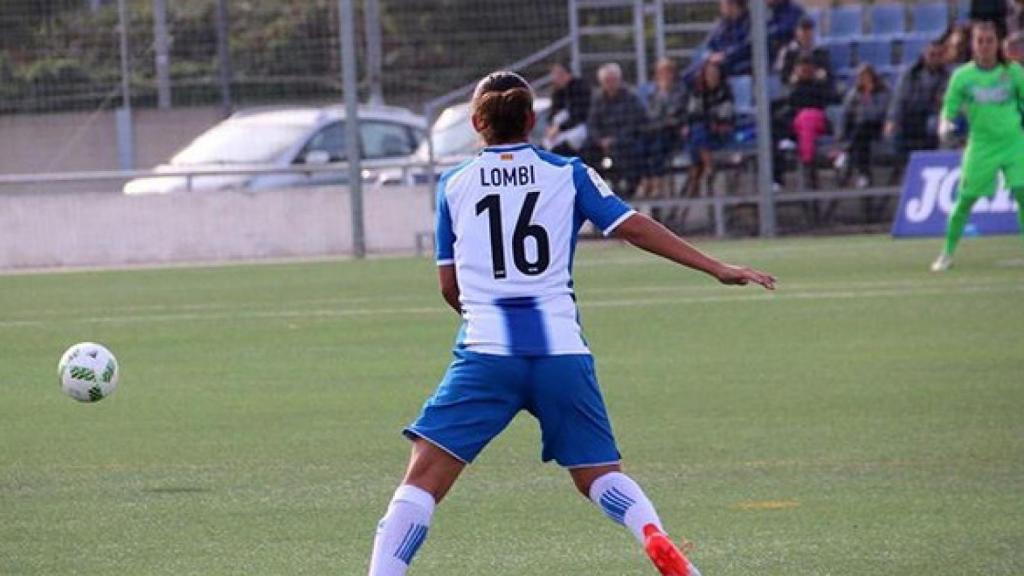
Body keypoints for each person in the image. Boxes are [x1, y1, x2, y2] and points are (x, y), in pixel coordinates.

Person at [365, 70, 776, 576]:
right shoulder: (569, 173)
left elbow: (449, 287)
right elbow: (634, 227)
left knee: (422, 482)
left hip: (487, 353)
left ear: (476, 123)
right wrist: (716, 267)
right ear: (531, 120)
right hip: (561, 351)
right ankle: (651, 532)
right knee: (598, 475)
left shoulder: (454, 184)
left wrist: (481, 322)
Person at [932, 21, 1024, 271]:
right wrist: (945, 124)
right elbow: (949, 107)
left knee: (1022, 192)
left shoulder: (1013, 72)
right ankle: (947, 253)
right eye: (980, 41)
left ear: (998, 43)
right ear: (973, 45)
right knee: (965, 200)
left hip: (1014, 142)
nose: (985, 46)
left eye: (989, 41)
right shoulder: (963, 77)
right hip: (981, 145)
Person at [584, 62, 649, 196]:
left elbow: (633, 124)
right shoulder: (598, 99)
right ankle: (594, 189)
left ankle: (626, 187)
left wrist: (614, 140)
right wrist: (600, 140)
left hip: (624, 139)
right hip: (601, 141)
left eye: (613, 80)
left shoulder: (631, 98)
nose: (610, 84)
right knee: (586, 150)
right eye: (606, 81)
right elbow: (592, 123)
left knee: (626, 151)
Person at [773, 55, 837, 188]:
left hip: (816, 124)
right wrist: (793, 85)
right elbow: (785, 104)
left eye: (807, 69)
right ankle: (777, 179)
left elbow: (830, 99)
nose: (804, 72)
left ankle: (809, 170)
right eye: (801, 69)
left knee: (807, 118)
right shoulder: (791, 88)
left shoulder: (820, 86)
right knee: (774, 127)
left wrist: (824, 81)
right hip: (793, 126)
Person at [885, 41, 951, 165]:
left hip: (933, 113)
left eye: (938, 55)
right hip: (911, 112)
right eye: (931, 54)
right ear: (924, 55)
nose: (934, 58)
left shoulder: (947, 76)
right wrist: (892, 119)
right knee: (896, 128)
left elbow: (945, 100)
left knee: (933, 124)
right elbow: (899, 98)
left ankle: (930, 161)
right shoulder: (910, 74)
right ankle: (902, 165)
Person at [683, 60, 735, 198]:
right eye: (709, 74)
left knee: (697, 133)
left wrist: (709, 118)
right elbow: (692, 112)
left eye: (715, 73)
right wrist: (706, 117)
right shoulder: (698, 91)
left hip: (719, 131)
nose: (712, 76)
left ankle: (695, 177)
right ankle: (708, 167)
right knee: (697, 131)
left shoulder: (725, 92)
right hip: (702, 130)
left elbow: (725, 113)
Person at [639, 58, 686, 198]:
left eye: (667, 72)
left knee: (658, 145)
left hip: (672, 131)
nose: (664, 76)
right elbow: (650, 114)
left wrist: (664, 94)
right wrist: (661, 94)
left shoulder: (680, 91)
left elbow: (674, 112)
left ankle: (657, 183)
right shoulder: (652, 92)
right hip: (654, 130)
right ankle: (645, 180)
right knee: (640, 145)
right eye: (661, 73)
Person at [837, 64, 890, 189]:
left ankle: (847, 158)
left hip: (877, 126)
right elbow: (846, 112)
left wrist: (866, 103)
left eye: (865, 76)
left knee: (862, 128)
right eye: (860, 77)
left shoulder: (883, 92)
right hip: (859, 130)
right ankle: (864, 175)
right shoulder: (854, 93)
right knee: (861, 139)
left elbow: (878, 113)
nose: (862, 79)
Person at [684, 0, 752, 83]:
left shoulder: (750, 23)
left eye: (723, 4)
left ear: (733, 5)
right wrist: (708, 57)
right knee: (689, 75)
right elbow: (706, 45)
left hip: (737, 67)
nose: (721, 8)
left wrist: (724, 55)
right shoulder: (721, 25)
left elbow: (746, 46)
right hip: (715, 65)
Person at [545, 61, 592, 156]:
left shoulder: (579, 88)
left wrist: (560, 128)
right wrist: (551, 127)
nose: (555, 77)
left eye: (558, 73)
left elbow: (578, 114)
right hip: (559, 132)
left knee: (560, 149)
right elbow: (552, 113)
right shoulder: (557, 92)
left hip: (577, 129)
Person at [775, 16, 832, 88]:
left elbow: (829, 75)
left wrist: (823, 75)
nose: (806, 36)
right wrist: (792, 78)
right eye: (804, 32)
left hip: (817, 89)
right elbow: (782, 78)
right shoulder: (788, 52)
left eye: (809, 33)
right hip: (794, 89)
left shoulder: (821, 52)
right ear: (797, 33)